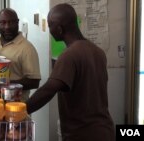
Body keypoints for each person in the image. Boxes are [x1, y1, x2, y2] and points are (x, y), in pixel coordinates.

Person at [26, 3, 115, 141]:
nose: (49, 30)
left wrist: (20, 110)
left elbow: (48, 90)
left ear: (60, 29)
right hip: (105, 130)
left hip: (82, 135)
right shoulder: (98, 52)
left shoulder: (69, 55)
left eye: (50, 26)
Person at [0, 8, 41, 102]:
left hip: (16, 107)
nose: (7, 27)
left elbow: (34, 82)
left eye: (11, 22)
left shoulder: (27, 49)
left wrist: (6, 85)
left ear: (17, 22)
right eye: (3, 23)